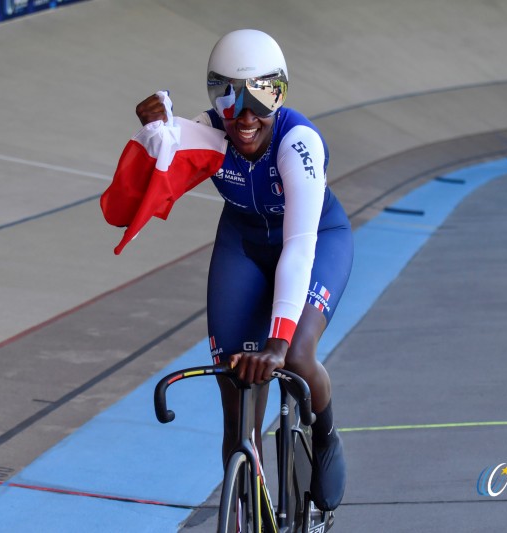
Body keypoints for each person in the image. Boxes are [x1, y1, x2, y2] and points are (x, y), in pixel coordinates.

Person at [134, 29, 352, 512]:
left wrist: (276, 341)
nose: (246, 115)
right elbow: (157, 163)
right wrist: (152, 129)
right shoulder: (209, 131)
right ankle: (246, 510)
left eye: (263, 94)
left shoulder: (299, 144)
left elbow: (299, 249)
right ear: (216, 98)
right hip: (244, 243)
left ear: (282, 94)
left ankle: (325, 431)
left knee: (294, 353)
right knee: (234, 391)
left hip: (315, 241)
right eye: (230, 96)